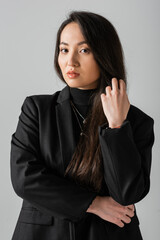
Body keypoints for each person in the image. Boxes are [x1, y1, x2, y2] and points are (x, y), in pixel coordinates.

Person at [10, 10, 154, 240]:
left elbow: (126, 194)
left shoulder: (137, 122)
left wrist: (117, 127)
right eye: (64, 49)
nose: (71, 61)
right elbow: (24, 178)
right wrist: (94, 203)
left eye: (84, 50)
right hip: (43, 234)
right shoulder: (37, 109)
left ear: (105, 55)